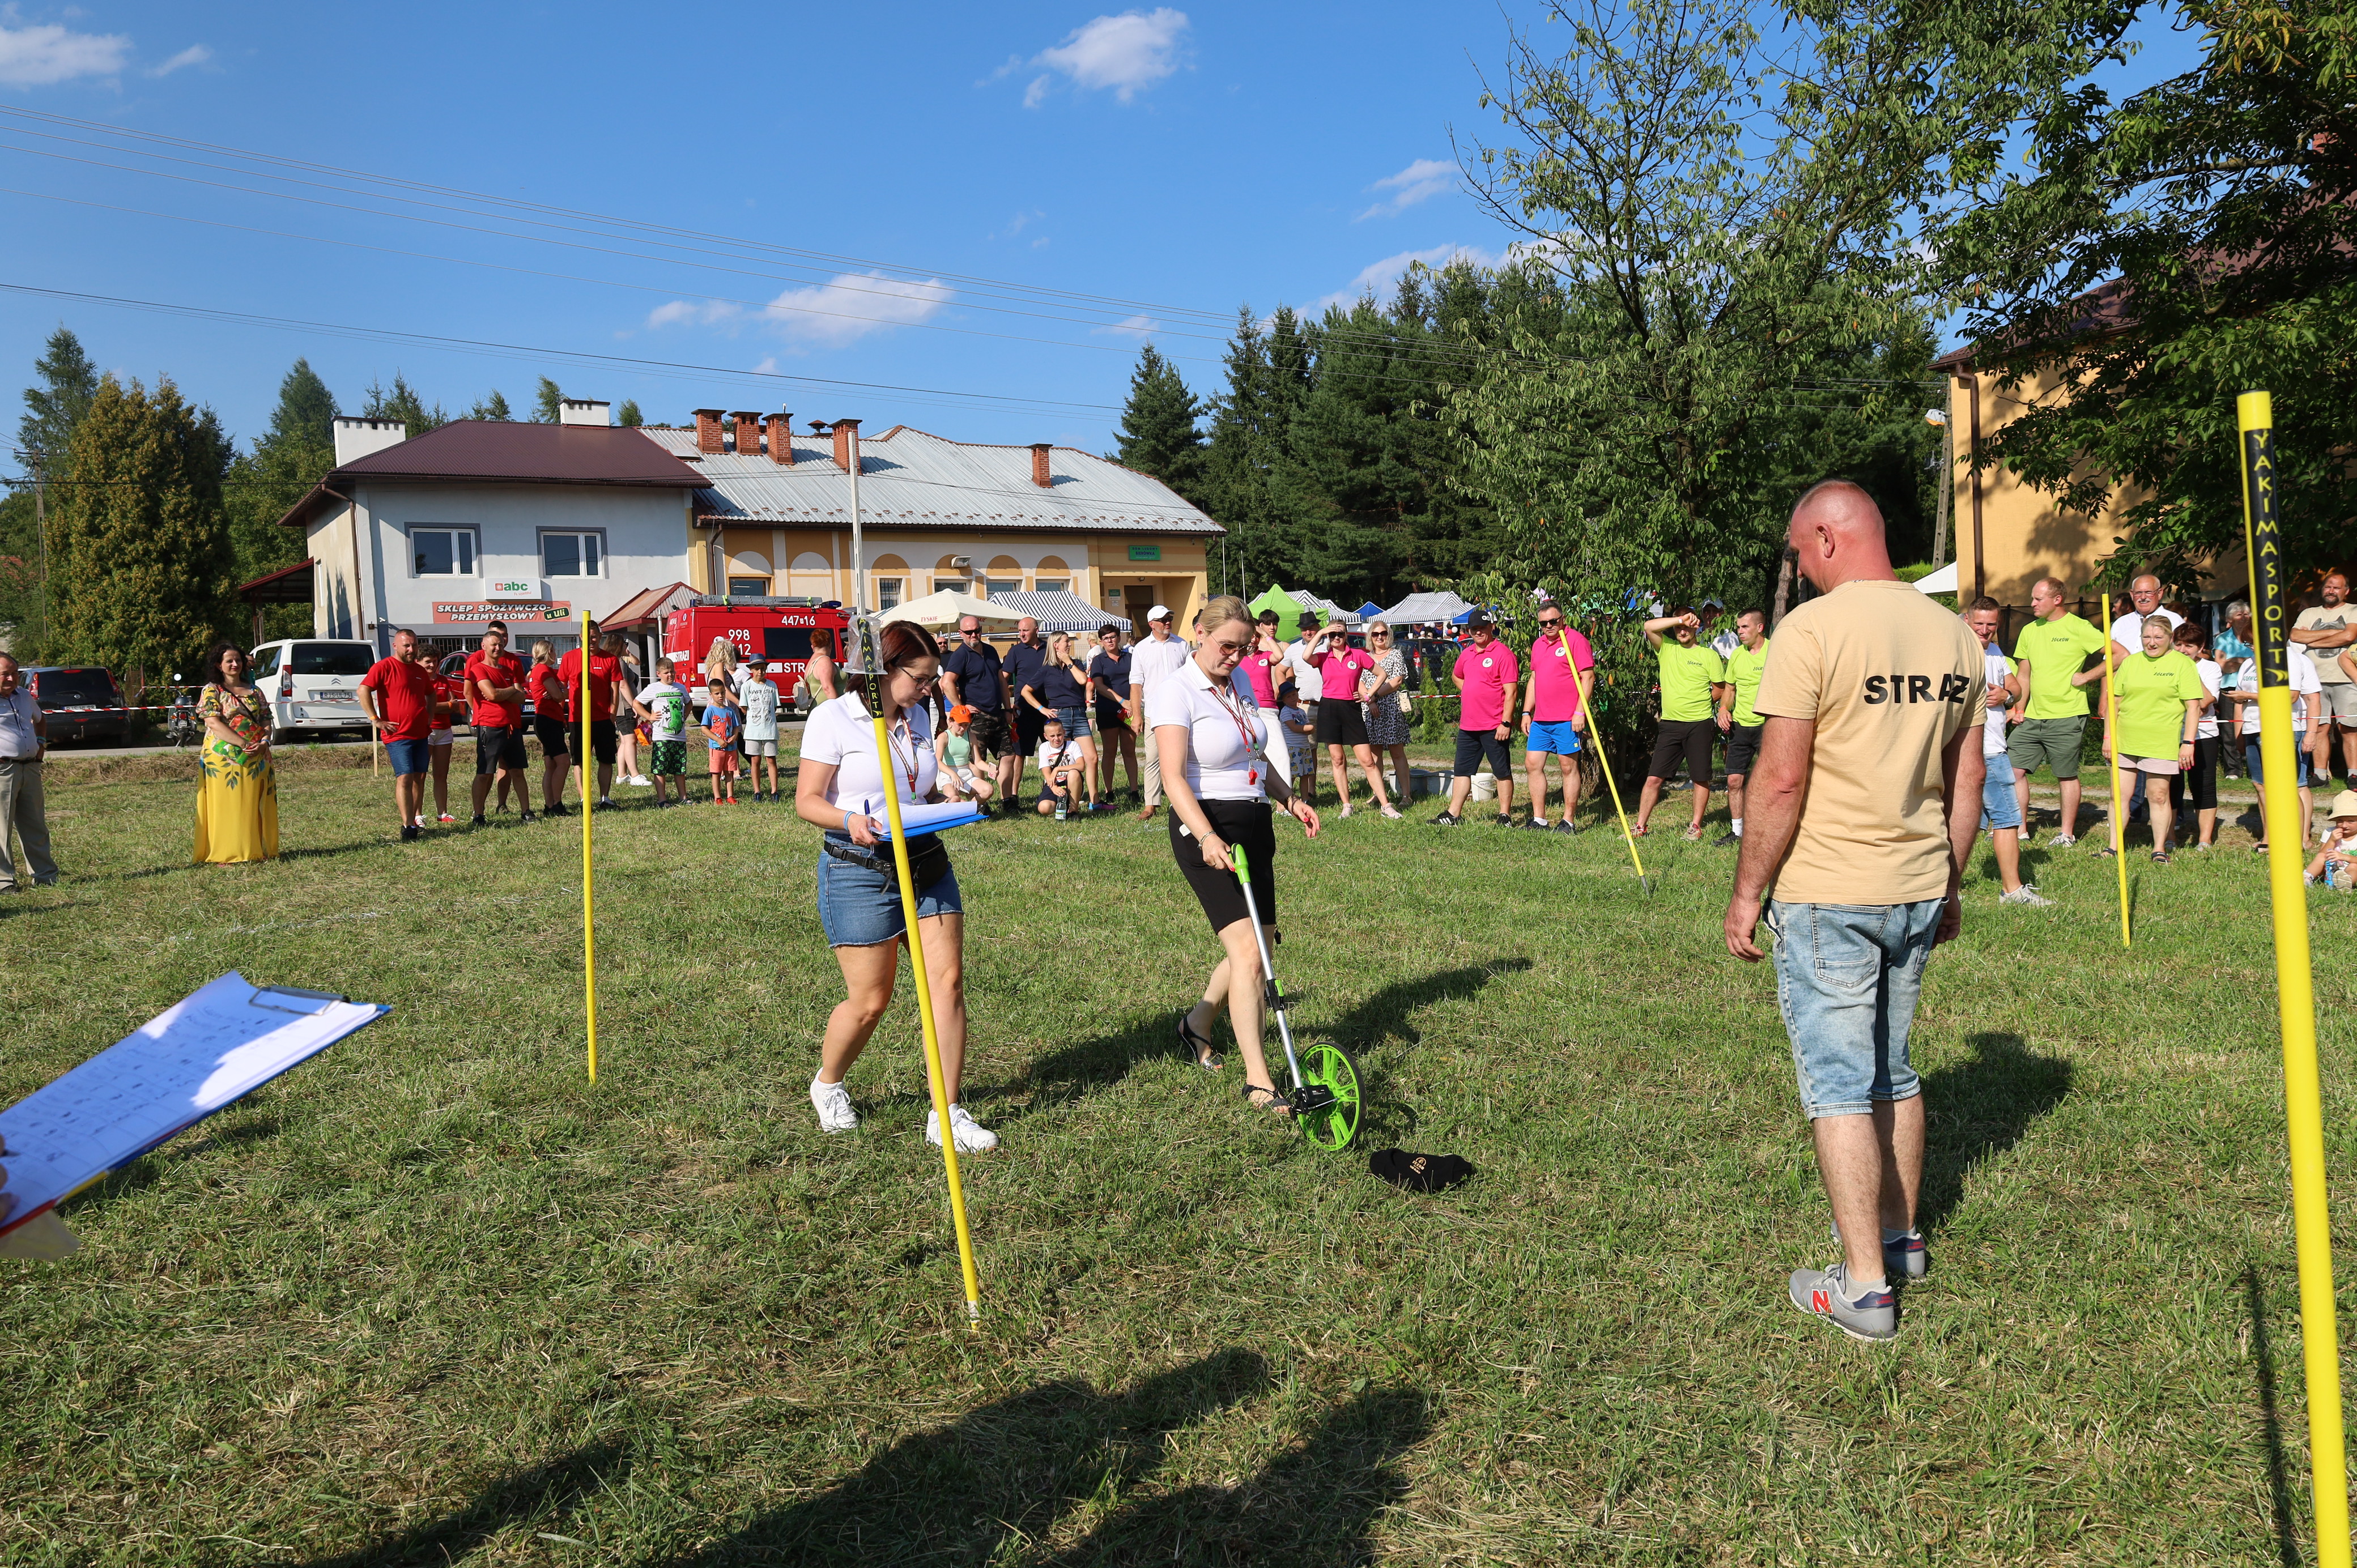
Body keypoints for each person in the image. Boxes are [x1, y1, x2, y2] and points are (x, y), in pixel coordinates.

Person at [1724, 479, 1985, 1344]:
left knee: (1839, 1085)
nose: (1799, 568)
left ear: (1829, 539)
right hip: (1916, 883)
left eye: (1800, 551)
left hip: (1830, 890)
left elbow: (1781, 777)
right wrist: (1950, 882)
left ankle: (1866, 1288)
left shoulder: (1811, 631)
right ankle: (1902, 1239)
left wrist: (1747, 891)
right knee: (1893, 1071)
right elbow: (1967, 778)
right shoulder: (1956, 636)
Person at [793, 620, 997, 1153]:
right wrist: (849, 820)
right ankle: (828, 1083)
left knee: (947, 984)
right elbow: (807, 800)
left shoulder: (919, 716)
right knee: (870, 1000)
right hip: (858, 868)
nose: (929, 688)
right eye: (921, 678)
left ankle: (946, 1114)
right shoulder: (833, 718)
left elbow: (916, 792)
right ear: (884, 669)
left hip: (926, 859)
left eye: (932, 678)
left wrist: (955, 791)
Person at [1152, 595, 1322, 1118]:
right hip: (1204, 826)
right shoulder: (1176, 690)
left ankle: (1197, 1023)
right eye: (1227, 646)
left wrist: (1289, 799)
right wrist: (1205, 835)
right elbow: (1173, 777)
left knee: (1262, 945)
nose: (1235, 656)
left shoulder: (1242, 680)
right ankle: (1258, 1080)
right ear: (1200, 634)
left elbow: (1254, 752)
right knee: (1250, 957)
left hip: (1254, 822)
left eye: (1244, 648)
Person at [2009, 577, 2111, 846]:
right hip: (2032, 716)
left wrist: (2087, 677)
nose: (2032, 604)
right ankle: (2020, 830)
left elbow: (2119, 655)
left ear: (2057, 600)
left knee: (2065, 775)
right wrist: (2020, 708)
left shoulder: (2079, 627)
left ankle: (2066, 833)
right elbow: (2024, 675)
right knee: (2013, 771)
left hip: (2067, 715)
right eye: (2032, 598)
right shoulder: (2029, 630)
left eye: (2038, 599)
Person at [1965, 597, 2047, 905]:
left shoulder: (1995, 652)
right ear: (1967, 620)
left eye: (1991, 624)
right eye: (1979, 623)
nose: (1985, 630)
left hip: (1993, 745)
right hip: (1986, 750)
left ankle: (1944, 890)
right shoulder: (1960, 652)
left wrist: (2006, 695)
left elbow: (2016, 688)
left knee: (1964, 820)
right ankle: (2012, 891)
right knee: (2008, 819)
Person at [1633, 611, 1725, 840]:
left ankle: (1695, 827)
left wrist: (1700, 703)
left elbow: (1719, 688)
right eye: (1679, 628)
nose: (1683, 631)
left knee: (1700, 778)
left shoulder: (1709, 655)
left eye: (1687, 627)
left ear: (1697, 628)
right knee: (1654, 778)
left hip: (1700, 724)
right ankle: (1640, 827)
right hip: (1671, 725)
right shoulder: (1667, 648)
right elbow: (1649, 626)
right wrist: (1680, 620)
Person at [2235, 637, 2326, 851]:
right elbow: (2239, 702)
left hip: (2285, 727)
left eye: (2254, 642)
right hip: (2253, 727)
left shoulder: (2292, 659)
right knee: (2261, 785)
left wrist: (2311, 733)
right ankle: (2269, 837)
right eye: (2248, 644)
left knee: (2293, 785)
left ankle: (2300, 838)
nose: (2251, 648)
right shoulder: (2248, 664)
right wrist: (2239, 734)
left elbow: (2298, 697)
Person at [1429, 613, 1521, 826]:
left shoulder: (1503, 654)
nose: (1478, 632)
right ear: (1469, 631)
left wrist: (1506, 723)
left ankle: (1505, 816)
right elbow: (1456, 676)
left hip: (1494, 725)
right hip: (1469, 725)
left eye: (1482, 627)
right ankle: (1453, 815)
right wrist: (1470, 690)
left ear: (1491, 627)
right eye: (1474, 629)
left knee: (1501, 771)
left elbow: (1512, 692)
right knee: (1462, 771)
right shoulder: (1467, 653)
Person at [193, 640, 279, 864]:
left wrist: (265, 742)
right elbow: (213, 723)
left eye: (238, 660)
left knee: (252, 804)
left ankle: (255, 851)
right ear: (219, 665)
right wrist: (243, 744)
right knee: (227, 806)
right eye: (229, 661)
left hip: (257, 756)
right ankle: (225, 853)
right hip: (222, 759)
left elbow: (266, 720)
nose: (235, 664)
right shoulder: (212, 690)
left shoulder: (255, 691)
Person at [1516, 607, 1594, 834]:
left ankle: (1568, 821)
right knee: (1532, 765)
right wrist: (1526, 712)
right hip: (1541, 720)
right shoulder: (1538, 645)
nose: (1549, 626)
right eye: (1544, 623)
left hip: (1567, 719)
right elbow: (1534, 679)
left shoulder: (1576, 640)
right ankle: (1539, 819)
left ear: (1562, 619)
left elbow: (1588, 677)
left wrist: (1580, 712)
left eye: (1553, 621)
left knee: (1568, 766)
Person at [1309, 619, 1398, 817]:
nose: (1337, 637)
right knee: (1337, 759)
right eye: (1333, 634)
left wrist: (1369, 695)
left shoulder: (1358, 655)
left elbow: (1382, 674)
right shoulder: (1324, 657)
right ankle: (1347, 805)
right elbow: (1306, 656)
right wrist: (1321, 632)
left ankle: (1386, 806)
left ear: (1346, 635)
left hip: (1351, 709)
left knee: (1368, 761)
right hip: (1329, 709)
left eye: (1340, 634)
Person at [361, 628, 437, 841]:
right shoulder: (384, 667)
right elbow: (363, 690)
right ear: (396, 646)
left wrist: (429, 716)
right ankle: (407, 826)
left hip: (420, 733)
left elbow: (431, 694)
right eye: (407, 646)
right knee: (404, 777)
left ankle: (413, 820)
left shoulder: (419, 671)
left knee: (419, 778)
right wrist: (375, 719)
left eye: (414, 645)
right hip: (397, 735)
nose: (411, 649)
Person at [1020, 631, 1101, 812]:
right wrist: (1042, 709)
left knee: (1092, 758)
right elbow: (1026, 691)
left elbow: (1083, 681)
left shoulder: (1076, 664)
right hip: (1060, 716)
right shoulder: (1046, 670)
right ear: (1056, 645)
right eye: (1066, 642)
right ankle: (1059, 795)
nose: (1070, 644)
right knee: (1061, 760)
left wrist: (1068, 661)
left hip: (1079, 714)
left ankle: (1094, 801)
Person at [2291, 572, 2357, 786]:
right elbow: (2295, 636)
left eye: (2337, 588)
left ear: (2346, 591)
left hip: (2345, 678)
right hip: (2313, 681)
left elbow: (2349, 636)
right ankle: (2320, 775)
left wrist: (2312, 641)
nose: (2331, 591)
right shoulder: (2309, 613)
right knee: (2319, 727)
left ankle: (2354, 774)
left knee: (2349, 728)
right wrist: (2335, 636)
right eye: (2328, 587)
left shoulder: (2353, 610)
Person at [465, 625, 534, 825]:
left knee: (517, 771)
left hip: (513, 726)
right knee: (485, 772)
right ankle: (479, 814)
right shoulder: (478, 668)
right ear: (484, 646)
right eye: (494, 645)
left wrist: (506, 691)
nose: (498, 648)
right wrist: (510, 690)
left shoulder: (509, 669)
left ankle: (526, 811)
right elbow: (492, 695)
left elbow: (521, 697)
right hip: (490, 726)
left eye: (501, 645)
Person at [1711, 610, 1770, 846]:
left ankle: (1770, 829)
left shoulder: (1775, 652)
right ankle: (1738, 832)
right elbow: (1730, 689)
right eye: (1738, 627)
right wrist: (1724, 709)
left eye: (1745, 627)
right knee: (1734, 781)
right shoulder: (1737, 655)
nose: (1740, 632)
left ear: (1760, 628)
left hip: (1768, 726)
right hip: (1740, 727)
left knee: (1770, 782)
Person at [1130, 605, 1192, 821]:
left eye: (1169, 618)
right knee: (1153, 758)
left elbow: (1191, 677)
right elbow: (1136, 684)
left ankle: (1184, 801)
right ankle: (1151, 804)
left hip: (1181, 710)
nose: (1168, 622)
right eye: (1163, 619)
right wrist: (1137, 715)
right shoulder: (1141, 649)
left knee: (1184, 757)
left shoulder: (1182, 644)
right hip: (1154, 712)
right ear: (1151, 624)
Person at [0, 654, 53, 892]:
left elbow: (40, 720)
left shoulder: (23, 696)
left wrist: (41, 744)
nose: (12, 679)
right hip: (3, 770)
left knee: (35, 826)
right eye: (5, 674)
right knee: (1, 830)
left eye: (15, 673)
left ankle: (46, 876)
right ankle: (4, 881)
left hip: (30, 768)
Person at [558, 628, 627, 810]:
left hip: (603, 718)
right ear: (581, 637)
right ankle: (584, 800)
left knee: (606, 760)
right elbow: (561, 686)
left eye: (594, 637)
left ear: (600, 637)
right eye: (587, 637)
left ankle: (605, 798)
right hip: (578, 719)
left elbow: (615, 689)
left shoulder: (610, 660)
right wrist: (560, 713)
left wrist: (612, 713)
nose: (591, 641)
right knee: (580, 760)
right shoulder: (569, 658)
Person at [2168, 621, 2222, 849]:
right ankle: (2169, 836)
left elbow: (2206, 701)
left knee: (2203, 786)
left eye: (2189, 646)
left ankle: (2204, 840)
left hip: (2204, 735)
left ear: (2200, 648)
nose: (2182, 650)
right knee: (2171, 786)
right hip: (2171, 734)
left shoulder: (2211, 669)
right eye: (2179, 644)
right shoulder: (2165, 665)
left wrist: (2189, 670)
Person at [941, 616, 1009, 794]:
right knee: (978, 760)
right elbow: (946, 682)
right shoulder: (960, 655)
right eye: (969, 632)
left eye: (977, 631)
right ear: (961, 633)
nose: (974, 635)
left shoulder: (990, 650)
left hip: (997, 713)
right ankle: (980, 801)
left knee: (1009, 755)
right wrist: (961, 709)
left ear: (981, 630)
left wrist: (1008, 708)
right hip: (977, 716)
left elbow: (1001, 680)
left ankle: (1008, 800)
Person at [1360, 621, 1415, 806]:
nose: (1380, 637)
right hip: (1370, 710)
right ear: (1370, 636)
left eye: (1383, 633)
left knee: (1397, 753)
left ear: (1388, 635)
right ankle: (1378, 794)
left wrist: (1374, 696)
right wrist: (1370, 702)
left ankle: (1406, 796)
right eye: (1375, 634)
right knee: (1374, 755)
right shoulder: (1364, 657)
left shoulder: (1396, 654)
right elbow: (1358, 681)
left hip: (1391, 709)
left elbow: (1397, 680)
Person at [999, 616, 1050, 810]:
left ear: (1036, 630)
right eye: (1019, 631)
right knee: (1019, 754)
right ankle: (1013, 797)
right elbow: (1003, 678)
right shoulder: (1016, 651)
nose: (1021, 634)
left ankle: (1052, 790)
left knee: (1054, 750)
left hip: (1049, 709)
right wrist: (1008, 705)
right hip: (1024, 710)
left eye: (1025, 630)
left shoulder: (1049, 649)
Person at [1087, 624, 1139, 802]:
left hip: (1130, 711)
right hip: (1108, 710)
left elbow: (1137, 681)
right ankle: (1109, 791)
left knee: (1129, 751)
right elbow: (1099, 686)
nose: (1110, 641)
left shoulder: (1130, 658)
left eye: (1113, 637)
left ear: (1119, 638)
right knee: (1110, 752)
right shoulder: (1099, 660)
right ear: (1101, 642)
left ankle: (1134, 791)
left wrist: (1132, 704)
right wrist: (1122, 701)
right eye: (1106, 638)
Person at [633, 658, 692, 806]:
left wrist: (685, 715)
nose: (670, 675)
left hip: (679, 736)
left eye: (672, 672)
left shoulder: (680, 688)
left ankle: (683, 797)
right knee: (660, 768)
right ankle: (662, 799)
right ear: (659, 674)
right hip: (662, 736)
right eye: (666, 673)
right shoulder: (654, 688)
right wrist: (649, 716)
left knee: (680, 768)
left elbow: (689, 702)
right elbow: (637, 703)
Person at [524, 641, 572, 817]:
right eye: (554, 651)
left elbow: (561, 693)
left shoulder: (541, 671)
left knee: (551, 765)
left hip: (548, 719)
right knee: (564, 762)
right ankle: (556, 804)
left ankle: (550, 805)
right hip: (548, 719)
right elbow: (560, 695)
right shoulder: (543, 670)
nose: (556, 654)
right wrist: (559, 692)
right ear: (549, 652)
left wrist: (560, 692)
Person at [420, 649, 458, 827]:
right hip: (426, 730)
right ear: (419, 662)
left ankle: (442, 813)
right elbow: (422, 706)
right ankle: (417, 814)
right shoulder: (419, 681)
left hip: (445, 731)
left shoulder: (443, 680)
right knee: (420, 775)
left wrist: (437, 706)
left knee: (441, 775)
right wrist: (444, 705)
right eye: (428, 661)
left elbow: (455, 705)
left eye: (435, 661)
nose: (432, 665)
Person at [738, 659, 782, 802]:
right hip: (753, 731)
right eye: (757, 669)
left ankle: (774, 791)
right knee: (755, 760)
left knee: (771, 759)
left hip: (770, 730)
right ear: (751, 670)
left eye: (763, 668)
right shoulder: (747, 686)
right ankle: (757, 791)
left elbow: (774, 706)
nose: (760, 672)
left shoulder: (772, 685)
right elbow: (744, 707)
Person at [935, 705, 997, 804]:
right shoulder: (944, 737)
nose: (963, 728)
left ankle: (971, 807)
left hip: (967, 775)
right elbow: (938, 761)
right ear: (950, 722)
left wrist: (990, 769)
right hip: (949, 776)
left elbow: (978, 761)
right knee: (953, 798)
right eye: (960, 725)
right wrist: (953, 774)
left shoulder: (971, 736)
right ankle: (966, 807)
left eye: (966, 725)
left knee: (989, 790)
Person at [1034, 716, 1088, 816]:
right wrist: (1054, 788)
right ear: (1046, 736)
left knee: (1073, 772)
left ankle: (1073, 811)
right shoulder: (1044, 747)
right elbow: (1046, 773)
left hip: (1072, 782)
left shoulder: (1073, 745)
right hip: (1053, 783)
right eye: (1052, 736)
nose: (1056, 739)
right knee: (1044, 808)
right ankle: (1062, 803)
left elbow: (1081, 766)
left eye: (1059, 735)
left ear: (1064, 732)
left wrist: (1058, 769)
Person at [701, 678, 742, 804]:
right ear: (711, 695)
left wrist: (734, 737)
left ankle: (730, 796)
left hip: (731, 748)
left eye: (722, 693)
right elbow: (704, 728)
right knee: (717, 773)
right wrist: (718, 740)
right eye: (717, 693)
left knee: (730, 771)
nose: (720, 696)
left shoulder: (730, 710)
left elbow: (736, 727)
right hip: (716, 748)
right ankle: (718, 797)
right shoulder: (710, 711)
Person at [2307, 790, 2357, 888]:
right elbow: (2322, 854)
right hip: (2330, 868)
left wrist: (2345, 857)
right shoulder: (2330, 832)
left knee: (2354, 866)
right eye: (2340, 821)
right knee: (2321, 857)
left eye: (2351, 821)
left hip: (2352, 868)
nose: (2344, 825)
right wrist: (2332, 840)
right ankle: (2307, 877)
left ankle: (2346, 882)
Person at [616, 645, 650, 786]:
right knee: (631, 740)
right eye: (624, 644)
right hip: (625, 707)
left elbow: (637, 662)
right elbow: (623, 685)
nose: (626, 646)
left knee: (625, 741)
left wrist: (629, 653)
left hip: (621, 707)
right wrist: (634, 705)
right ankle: (635, 775)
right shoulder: (619, 662)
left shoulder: (621, 660)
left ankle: (622, 775)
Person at [1279, 695, 1315, 791]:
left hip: (1305, 746)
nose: (1293, 697)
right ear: (1284, 700)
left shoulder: (1302, 711)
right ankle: (1288, 795)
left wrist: (1309, 729)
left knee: (1305, 774)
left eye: (1294, 694)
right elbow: (1294, 728)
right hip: (1293, 747)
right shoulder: (1286, 711)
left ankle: (1305, 797)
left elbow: (1307, 726)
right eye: (1289, 696)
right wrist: (1310, 728)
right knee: (1292, 774)